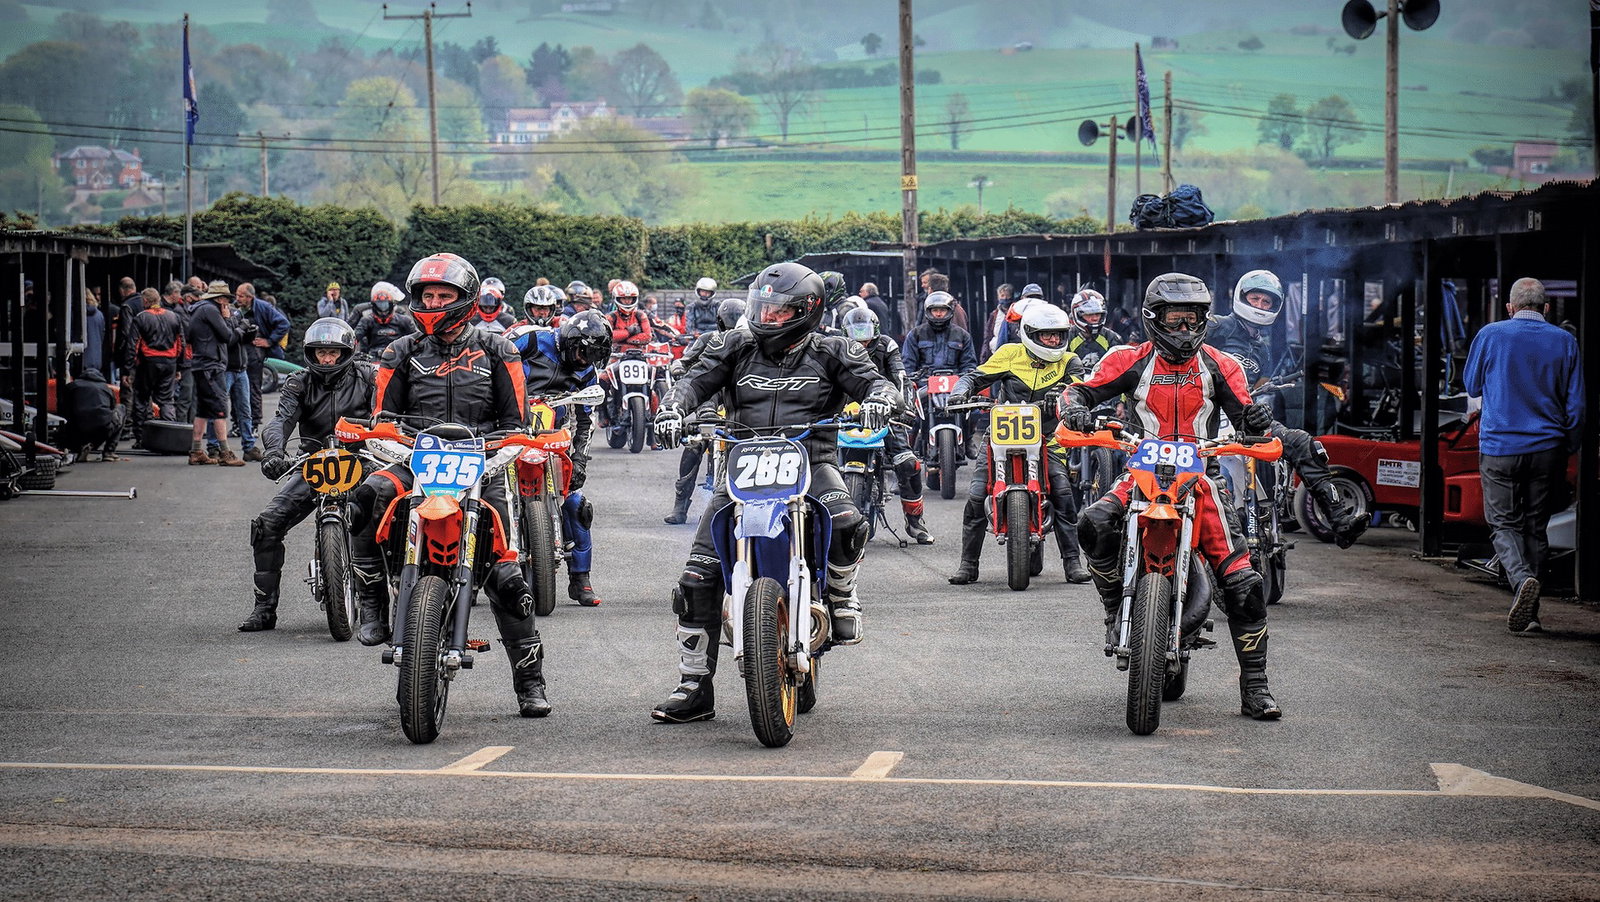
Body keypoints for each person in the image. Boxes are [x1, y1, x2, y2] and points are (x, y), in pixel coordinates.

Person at [648, 261, 898, 724]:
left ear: (809, 311)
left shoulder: (834, 349)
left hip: (812, 461)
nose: (769, 317)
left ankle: (841, 592)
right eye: (763, 308)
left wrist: (880, 401)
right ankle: (693, 686)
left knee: (848, 523)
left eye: (781, 311)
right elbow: (693, 381)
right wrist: (671, 409)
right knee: (696, 578)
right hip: (742, 467)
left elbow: (876, 382)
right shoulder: (734, 345)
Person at [1062, 272, 1282, 720]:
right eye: (1175, 319)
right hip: (1140, 473)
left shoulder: (1222, 365)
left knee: (1244, 582)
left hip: (1202, 480)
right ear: (1152, 318)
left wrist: (1256, 421)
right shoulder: (1128, 359)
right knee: (1093, 523)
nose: (1185, 329)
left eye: (1193, 319)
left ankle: (1256, 686)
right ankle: (1113, 605)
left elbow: (1246, 416)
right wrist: (1075, 410)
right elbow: (1077, 391)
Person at [349, 252, 551, 718]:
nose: (434, 303)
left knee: (507, 577)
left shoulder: (499, 349)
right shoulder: (400, 351)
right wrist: (376, 435)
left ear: (467, 299)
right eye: (427, 295)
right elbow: (383, 417)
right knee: (366, 495)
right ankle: (372, 600)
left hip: (481, 466)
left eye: (444, 295)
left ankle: (530, 682)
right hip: (416, 462)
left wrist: (514, 443)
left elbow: (516, 420)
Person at [1206, 270, 1366, 547]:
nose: (1259, 305)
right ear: (1241, 297)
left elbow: (1260, 387)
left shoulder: (1262, 349)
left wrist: (1261, 407)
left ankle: (1340, 520)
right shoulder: (1216, 327)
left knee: (1303, 442)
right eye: (1255, 298)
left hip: (1243, 417)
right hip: (1204, 412)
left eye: (1266, 302)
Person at [1463, 277, 1585, 633]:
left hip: (1499, 448)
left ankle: (1520, 581)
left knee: (1503, 523)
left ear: (1510, 307)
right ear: (1546, 308)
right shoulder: (1565, 341)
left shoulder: (1490, 335)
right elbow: (1576, 406)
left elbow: (1471, 385)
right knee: (1535, 526)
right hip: (1547, 449)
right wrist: (1569, 446)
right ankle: (1530, 614)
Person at [240, 318, 376, 632]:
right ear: (310, 353)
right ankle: (264, 609)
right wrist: (274, 452)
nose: (326, 359)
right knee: (266, 525)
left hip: (362, 460)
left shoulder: (369, 376)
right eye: (320, 353)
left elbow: (385, 412)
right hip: (314, 462)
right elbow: (281, 421)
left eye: (333, 352)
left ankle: (392, 601)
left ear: (346, 352)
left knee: (397, 517)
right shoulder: (298, 383)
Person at [946, 303, 1089, 585]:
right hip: (1000, 436)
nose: (1054, 341)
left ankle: (1072, 562)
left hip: (1049, 437)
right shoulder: (1009, 353)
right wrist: (960, 392)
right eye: (1047, 335)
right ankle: (968, 564)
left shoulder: (1070, 360)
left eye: (1058, 335)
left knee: (1062, 491)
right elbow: (975, 376)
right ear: (1030, 334)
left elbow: (1077, 389)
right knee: (977, 494)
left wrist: (1063, 396)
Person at [508, 310, 611, 606]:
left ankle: (580, 579)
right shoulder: (530, 339)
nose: (585, 360)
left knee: (577, 504)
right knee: (485, 494)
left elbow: (586, 420)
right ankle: (475, 572)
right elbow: (490, 361)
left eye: (593, 356)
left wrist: (579, 459)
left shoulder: (587, 372)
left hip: (554, 437)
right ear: (569, 341)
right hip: (508, 430)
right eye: (583, 353)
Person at [843, 306, 933, 544]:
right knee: (817, 460)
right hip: (846, 412)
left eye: (866, 336)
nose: (862, 343)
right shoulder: (837, 347)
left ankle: (914, 521)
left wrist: (904, 409)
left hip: (886, 408)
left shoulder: (887, 346)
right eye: (856, 336)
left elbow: (900, 378)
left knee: (908, 463)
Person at [663, 298, 746, 525]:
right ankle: (680, 505)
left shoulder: (751, 342)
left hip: (740, 403)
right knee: (694, 444)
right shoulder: (709, 339)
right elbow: (685, 360)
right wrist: (679, 367)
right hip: (713, 403)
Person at [185, 280, 247, 467]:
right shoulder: (211, 310)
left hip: (201, 364)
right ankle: (225, 452)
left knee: (203, 410)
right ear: (220, 299)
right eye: (226, 300)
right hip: (211, 365)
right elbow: (227, 336)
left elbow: (190, 336)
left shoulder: (197, 309)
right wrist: (231, 321)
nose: (227, 304)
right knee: (220, 408)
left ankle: (196, 451)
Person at [123, 287, 183, 442]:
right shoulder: (174, 317)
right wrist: (179, 366)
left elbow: (132, 345)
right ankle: (169, 437)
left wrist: (127, 369)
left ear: (145, 301)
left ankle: (141, 438)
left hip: (147, 363)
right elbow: (180, 343)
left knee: (142, 399)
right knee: (167, 400)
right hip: (169, 362)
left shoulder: (141, 317)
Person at [235, 283, 291, 449]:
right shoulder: (234, 308)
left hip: (254, 354)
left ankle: (254, 424)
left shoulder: (263, 307)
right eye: (237, 295)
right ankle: (237, 424)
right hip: (238, 354)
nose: (237, 299)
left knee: (253, 388)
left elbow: (283, 323)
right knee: (236, 391)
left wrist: (270, 341)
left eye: (241, 296)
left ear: (250, 297)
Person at [59, 368, 124, 462]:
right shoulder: (106, 388)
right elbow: (112, 407)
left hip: (77, 428)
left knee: (73, 419)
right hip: (102, 427)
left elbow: (63, 407)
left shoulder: (72, 386)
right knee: (121, 408)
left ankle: (79, 447)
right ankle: (109, 451)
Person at [1066, 288, 1123, 373]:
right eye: (1089, 314)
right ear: (1078, 314)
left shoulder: (1112, 338)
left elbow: (1119, 369)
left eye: (1098, 313)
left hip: (1104, 380)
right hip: (1074, 380)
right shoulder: (1066, 338)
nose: (1095, 318)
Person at [352, 281, 416, 357]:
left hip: (399, 356)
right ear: (373, 306)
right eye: (379, 305)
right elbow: (354, 339)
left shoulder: (404, 320)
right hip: (373, 357)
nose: (383, 311)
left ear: (392, 305)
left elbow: (417, 339)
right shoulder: (367, 321)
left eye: (385, 305)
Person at [608, 280, 653, 349]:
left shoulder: (640, 315)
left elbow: (647, 336)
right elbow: (608, 337)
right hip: (616, 353)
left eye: (629, 298)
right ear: (618, 299)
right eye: (624, 298)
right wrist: (629, 332)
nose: (627, 301)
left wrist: (626, 340)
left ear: (634, 298)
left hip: (638, 352)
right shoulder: (611, 317)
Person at [982, 283, 1015, 352]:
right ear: (998, 297)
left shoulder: (1016, 312)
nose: (1005, 298)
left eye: (1008, 295)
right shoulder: (994, 314)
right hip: (995, 351)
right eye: (1002, 295)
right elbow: (988, 336)